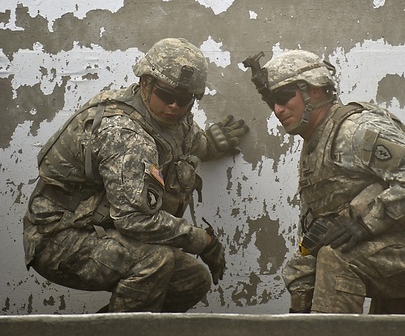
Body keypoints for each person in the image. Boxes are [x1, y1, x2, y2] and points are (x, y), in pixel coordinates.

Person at [23, 37, 249, 312]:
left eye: (184, 99)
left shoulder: (172, 119)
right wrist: (203, 241)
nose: (175, 106)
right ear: (146, 84)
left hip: (104, 230)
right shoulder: (125, 134)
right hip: (58, 238)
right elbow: (136, 221)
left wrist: (211, 146)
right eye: (166, 95)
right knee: (156, 260)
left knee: (193, 280)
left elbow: (187, 140)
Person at [250, 49, 405, 314]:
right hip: (393, 249)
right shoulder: (315, 147)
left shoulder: (354, 129)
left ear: (315, 91)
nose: (277, 109)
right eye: (271, 101)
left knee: (337, 257)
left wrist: (366, 223)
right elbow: (316, 229)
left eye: (284, 97)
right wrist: (300, 291)